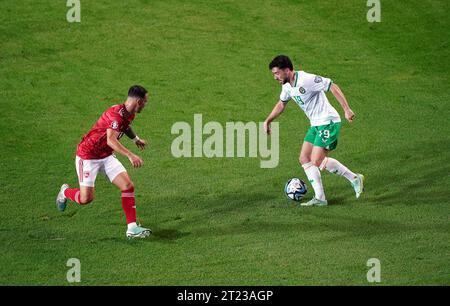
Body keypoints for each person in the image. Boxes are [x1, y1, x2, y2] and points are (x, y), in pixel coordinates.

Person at [264, 55, 364, 206]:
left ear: (287, 70)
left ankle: (354, 178)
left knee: (316, 160)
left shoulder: (306, 80)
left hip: (328, 122)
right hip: (316, 124)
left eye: (277, 73)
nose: (275, 77)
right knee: (304, 158)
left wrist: (347, 109)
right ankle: (320, 198)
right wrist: (268, 120)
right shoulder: (286, 86)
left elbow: (332, 86)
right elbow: (281, 104)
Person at [56, 85, 152, 238]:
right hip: (88, 156)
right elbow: (111, 140)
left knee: (128, 186)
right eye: (145, 102)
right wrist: (130, 155)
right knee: (86, 198)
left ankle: (132, 228)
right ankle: (64, 192)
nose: (146, 105)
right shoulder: (116, 115)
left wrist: (136, 139)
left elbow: (125, 126)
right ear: (139, 101)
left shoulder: (129, 113)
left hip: (106, 156)